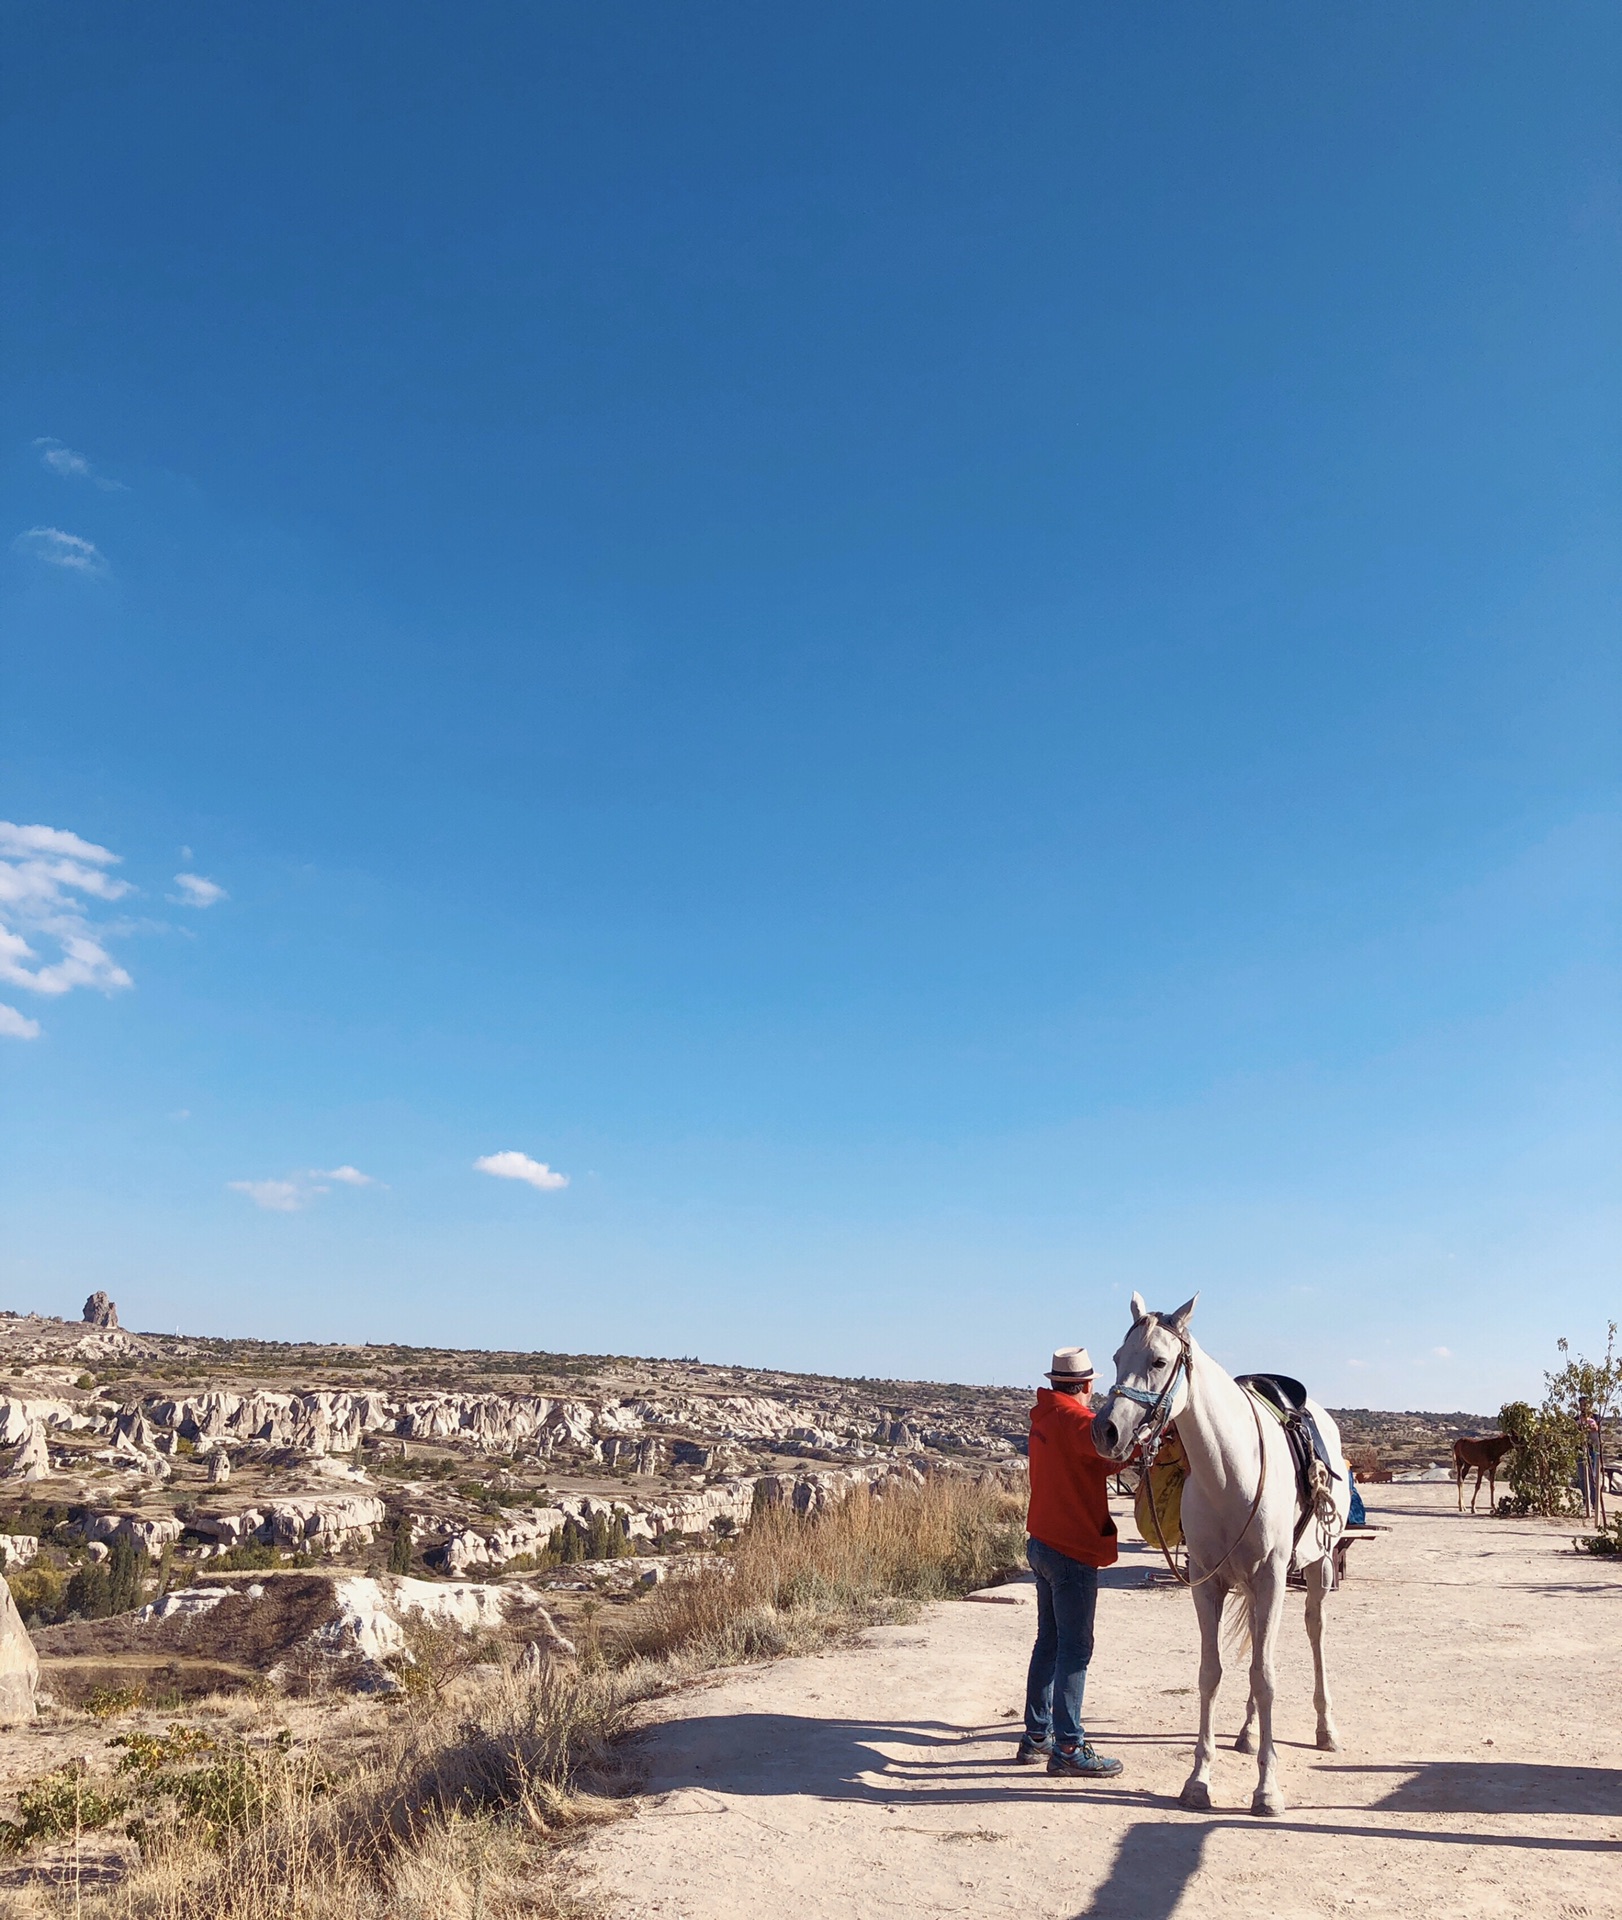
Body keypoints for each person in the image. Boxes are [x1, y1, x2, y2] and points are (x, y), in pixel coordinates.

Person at [1017, 1345, 1124, 1779]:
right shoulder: (1078, 1420)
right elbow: (1111, 1450)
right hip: (1071, 1550)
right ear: (1086, 1384)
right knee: (1075, 1650)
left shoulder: (1046, 1417)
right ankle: (1068, 1746)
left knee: (1050, 1641)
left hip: (1042, 1541)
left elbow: (1089, 1464)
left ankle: (1037, 1736)